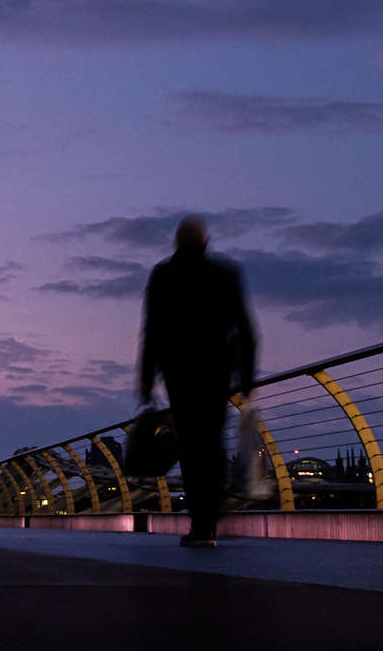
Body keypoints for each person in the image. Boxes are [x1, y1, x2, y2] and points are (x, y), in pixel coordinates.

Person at [137, 214, 256, 548]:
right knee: (212, 439)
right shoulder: (225, 273)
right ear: (205, 241)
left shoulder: (163, 274)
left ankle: (201, 525)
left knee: (190, 445)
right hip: (217, 370)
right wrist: (247, 376)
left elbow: (152, 332)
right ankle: (212, 511)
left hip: (179, 371)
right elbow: (246, 329)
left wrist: (146, 380)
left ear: (176, 242)